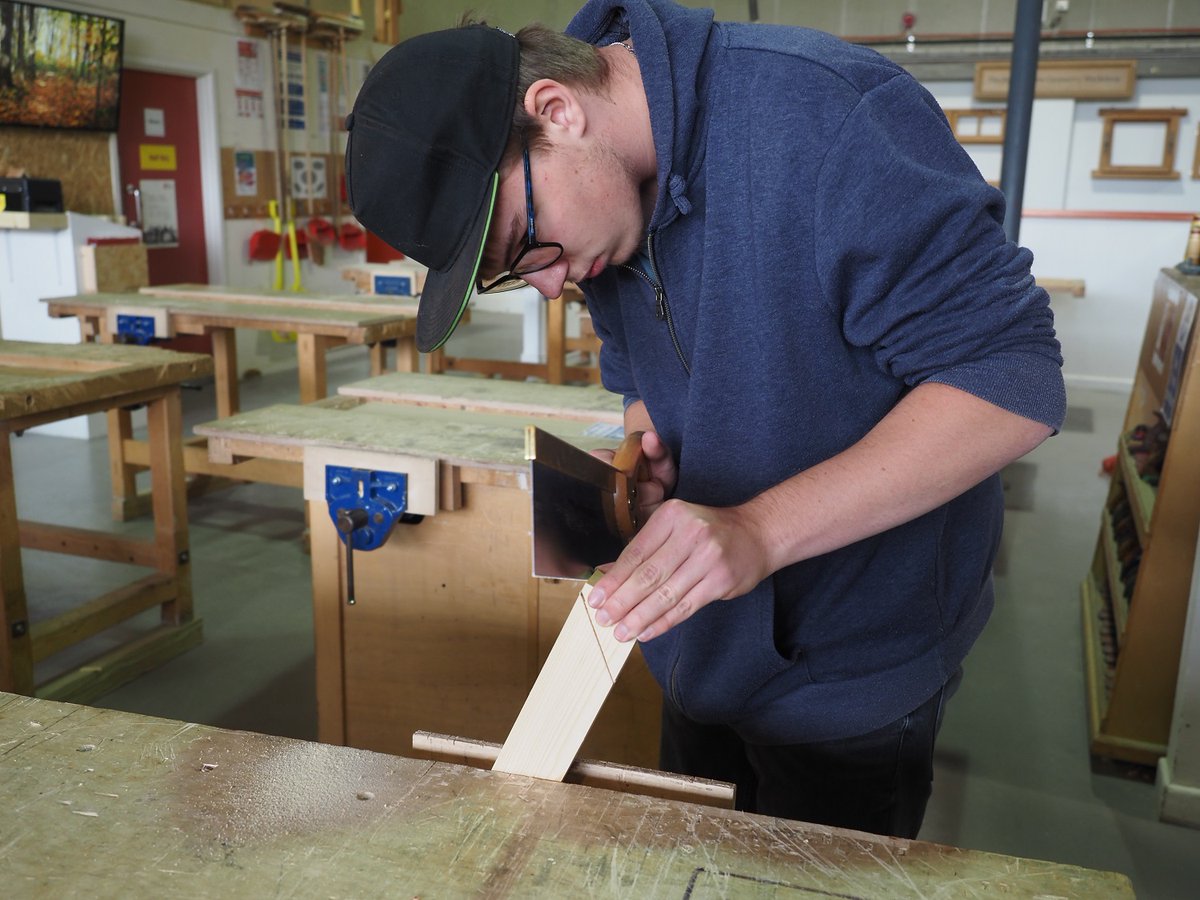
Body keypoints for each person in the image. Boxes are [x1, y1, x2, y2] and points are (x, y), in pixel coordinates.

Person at [344, 0, 1065, 838]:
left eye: (522, 241)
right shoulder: (599, 210)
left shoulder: (829, 118)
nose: (547, 283)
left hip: (851, 670)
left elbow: (1010, 378)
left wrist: (759, 530)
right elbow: (634, 368)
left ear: (557, 109)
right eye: (509, 272)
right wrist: (644, 456)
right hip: (699, 643)